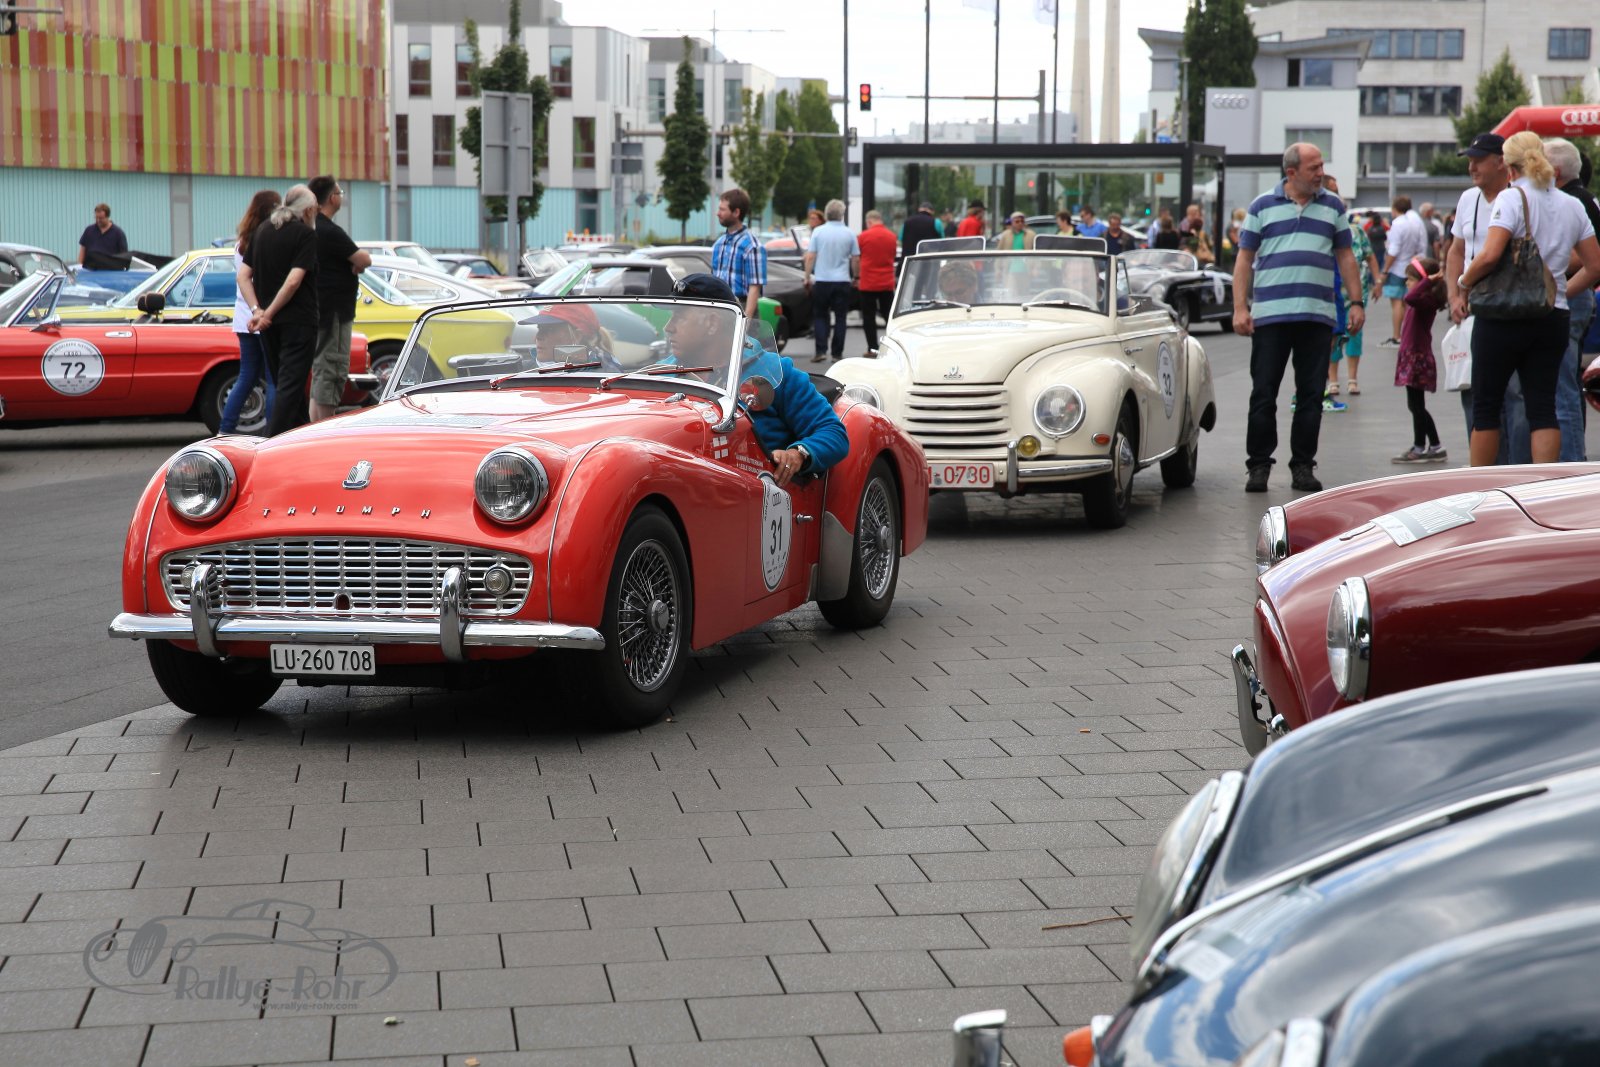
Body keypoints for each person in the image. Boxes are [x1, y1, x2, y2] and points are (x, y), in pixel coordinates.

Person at [1458, 131, 1600, 466]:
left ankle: (1481, 483)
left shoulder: (1511, 198)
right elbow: (1595, 265)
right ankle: (1542, 483)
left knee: (1487, 405)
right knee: (1543, 406)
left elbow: (1490, 255)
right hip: (1552, 317)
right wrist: (1561, 291)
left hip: (1503, 317)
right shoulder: (1572, 204)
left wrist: (1465, 282)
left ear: (1508, 166)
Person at [1235, 142, 1365, 493]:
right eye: (1314, 167)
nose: (1321, 172)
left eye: (1321, 165)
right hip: (1271, 317)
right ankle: (1258, 465)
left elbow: (1346, 255)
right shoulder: (1261, 206)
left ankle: (1303, 466)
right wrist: (1240, 308)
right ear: (1291, 173)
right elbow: (1244, 259)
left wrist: (1356, 302)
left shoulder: (1333, 206)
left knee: (1311, 395)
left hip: (1316, 316)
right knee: (1264, 393)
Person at [670, 273, 848, 485]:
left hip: (757, 490)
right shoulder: (660, 372)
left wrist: (798, 454)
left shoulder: (773, 371)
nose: (668, 327)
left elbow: (833, 432)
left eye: (679, 317)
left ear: (712, 323)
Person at [1446, 133, 1514, 445]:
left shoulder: (1518, 197)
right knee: (1473, 390)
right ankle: (1485, 463)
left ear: (1501, 162)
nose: (1472, 167)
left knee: (1513, 395)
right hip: (1473, 307)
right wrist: (1453, 295)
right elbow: (1456, 250)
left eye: (1478, 160)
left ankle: (1515, 464)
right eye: (1470, 161)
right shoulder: (1468, 199)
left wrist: (1464, 283)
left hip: (1511, 305)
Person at [240, 184, 320, 436]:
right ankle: (270, 443)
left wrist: (257, 310)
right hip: (298, 321)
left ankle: (302, 438)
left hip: (269, 325)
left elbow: (243, 276)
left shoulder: (263, 230)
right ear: (308, 210)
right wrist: (268, 313)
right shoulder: (305, 235)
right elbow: (294, 281)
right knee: (290, 387)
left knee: (287, 386)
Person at [1547, 139, 1600, 461]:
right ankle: (1572, 456)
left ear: (1555, 171)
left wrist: (1548, 269)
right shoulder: (1584, 198)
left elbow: (1588, 256)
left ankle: (1570, 460)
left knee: (1561, 383)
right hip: (1577, 296)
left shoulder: (1573, 200)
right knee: (1565, 382)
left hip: (1571, 296)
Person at [306, 176, 371, 422]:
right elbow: (363, 259)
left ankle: (315, 425)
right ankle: (323, 426)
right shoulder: (329, 230)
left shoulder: (312, 227)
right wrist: (356, 264)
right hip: (334, 312)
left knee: (322, 369)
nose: (341, 197)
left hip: (320, 309)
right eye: (340, 192)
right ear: (332, 198)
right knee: (332, 370)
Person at [218, 190, 281, 435]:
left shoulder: (241, 242)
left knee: (247, 376)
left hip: (244, 316)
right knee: (274, 377)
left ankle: (225, 429)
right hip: (265, 315)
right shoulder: (269, 239)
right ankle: (273, 433)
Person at [1324, 175, 1381, 397]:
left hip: (1355, 292)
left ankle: (1352, 379)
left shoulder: (1356, 231)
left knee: (1355, 336)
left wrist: (1378, 281)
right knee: (1333, 337)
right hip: (1331, 293)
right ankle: (1333, 380)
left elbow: (1370, 256)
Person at [1391, 256, 1448, 463]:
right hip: (1411, 355)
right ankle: (1434, 445)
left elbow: (1410, 297)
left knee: (1416, 406)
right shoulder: (1422, 301)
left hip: (1417, 357)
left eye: (1411, 279)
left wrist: (1427, 281)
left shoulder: (1425, 301)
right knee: (1415, 405)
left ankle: (1420, 446)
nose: (1407, 283)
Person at [803, 198, 859, 362]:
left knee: (820, 315)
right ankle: (837, 353)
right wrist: (856, 277)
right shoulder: (849, 233)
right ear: (842, 214)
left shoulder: (818, 232)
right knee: (841, 317)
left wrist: (807, 276)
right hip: (842, 280)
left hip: (822, 280)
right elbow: (855, 258)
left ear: (827, 214)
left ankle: (821, 351)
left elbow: (810, 256)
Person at [709, 187, 767, 319]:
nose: (718, 213)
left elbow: (755, 288)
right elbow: (713, 280)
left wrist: (746, 321)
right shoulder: (719, 244)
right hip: (719, 308)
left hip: (741, 307)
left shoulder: (752, 246)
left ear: (736, 212)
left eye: (722, 209)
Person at [1380, 196, 1428, 347]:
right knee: (1407, 303)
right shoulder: (1413, 223)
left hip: (1397, 268)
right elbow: (1420, 246)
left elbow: (1393, 250)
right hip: (1410, 266)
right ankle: (1408, 334)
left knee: (1396, 303)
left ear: (1395, 209)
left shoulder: (1397, 224)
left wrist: (1385, 270)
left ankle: (1397, 336)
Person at [857, 209, 897, 356]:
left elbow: (859, 256)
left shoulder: (863, 236)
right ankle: (893, 347)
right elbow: (892, 256)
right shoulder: (892, 236)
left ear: (869, 221)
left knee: (869, 317)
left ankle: (872, 348)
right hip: (886, 282)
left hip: (868, 283)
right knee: (889, 317)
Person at [525, 303, 616, 367]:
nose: (538, 337)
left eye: (550, 330)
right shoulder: (521, 372)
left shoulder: (604, 377)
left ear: (577, 336)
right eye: (540, 328)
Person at [78, 203, 129, 269]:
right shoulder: (89, 230)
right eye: (96, 218)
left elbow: (124, 255)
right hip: (90, 269)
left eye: (101, 218)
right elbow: (83, 250)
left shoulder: (118, 233)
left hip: (110, 270)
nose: (98, 220)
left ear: (107, 217)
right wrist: (79, 267)